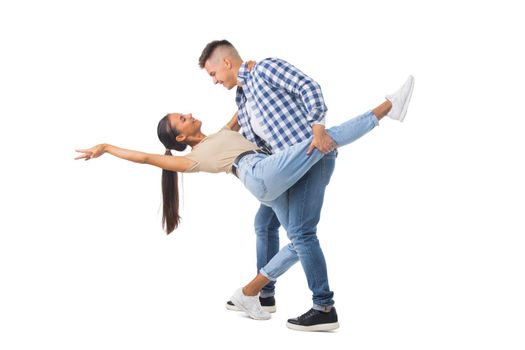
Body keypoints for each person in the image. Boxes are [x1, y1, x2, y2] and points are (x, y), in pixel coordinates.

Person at [75, 77, 415, 331]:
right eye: (182, 118)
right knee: (320, 140)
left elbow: (243, 102)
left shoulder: (218, 135)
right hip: (262, 174)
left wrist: (250, 73)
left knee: (279, 230)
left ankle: (259, 294)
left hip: (268, 180)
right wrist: (105, 146)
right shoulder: (191, 160)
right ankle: (387, 108)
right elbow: (146, 157)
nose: (189, 113)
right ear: (180, 137)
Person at [198, 39, 412, 330]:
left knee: (301, 234)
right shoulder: (243, 100)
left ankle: (323, 307)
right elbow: (234, 137)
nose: (213, 81)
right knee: (264, 223)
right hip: (287, 172)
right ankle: (265, 294)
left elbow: (309, 87)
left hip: (312, 157)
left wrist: (318, 129)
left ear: (226, 63)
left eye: (213, 74)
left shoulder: (265, 70)